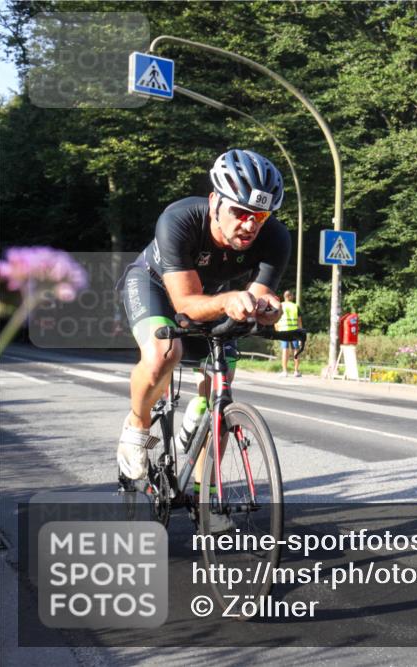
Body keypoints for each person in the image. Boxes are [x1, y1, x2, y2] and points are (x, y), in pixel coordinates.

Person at [116, 149, 291, 480]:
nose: (250, 225)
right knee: (164, 353)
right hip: (154, 286)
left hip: (211, 295)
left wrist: (267, 308)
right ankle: (136, 427)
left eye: (260, 216)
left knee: (222, 381)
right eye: (240, 212)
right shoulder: (178, 220)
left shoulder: (276, 237)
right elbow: (184, 303)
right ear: (214, 202)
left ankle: (205, 495)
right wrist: (229, 302)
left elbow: (260, 294)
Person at [275, 290, 303, 377]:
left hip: (284, 331)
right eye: (293, 295)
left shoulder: (280, 306)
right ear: (290, 296)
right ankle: (296, 371)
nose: (293, 297)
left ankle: (285, 371)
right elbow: (299, 321)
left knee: (285, 350)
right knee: (296, 351)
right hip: (294, 331)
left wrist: (277, 331)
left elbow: (275, 319)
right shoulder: (295, 306)